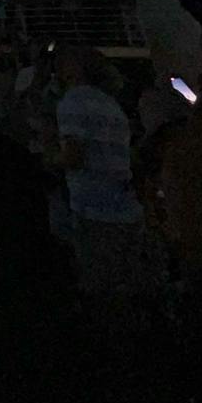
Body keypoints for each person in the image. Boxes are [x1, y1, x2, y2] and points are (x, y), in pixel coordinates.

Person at [52, 46, 155, 309]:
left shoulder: (73, 101)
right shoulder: (109, 102)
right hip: (124, 205)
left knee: (99, 288)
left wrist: (46, 160)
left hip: (94, 206)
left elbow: (74, 157)